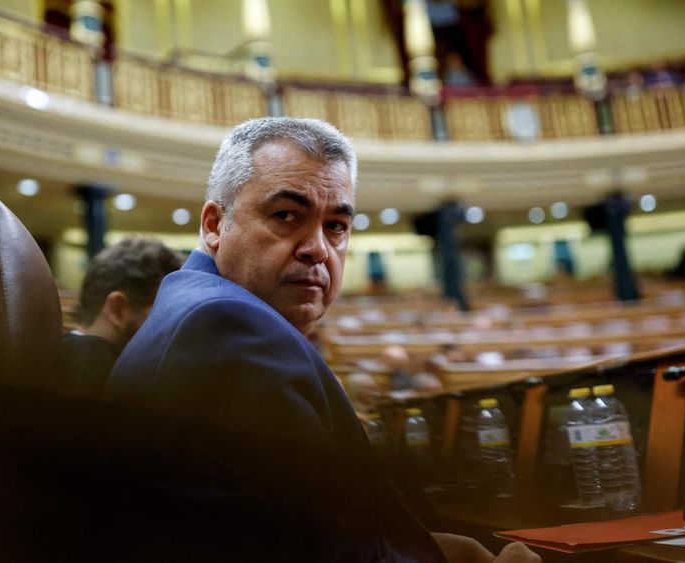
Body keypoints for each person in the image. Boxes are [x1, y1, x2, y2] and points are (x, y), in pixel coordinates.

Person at [107, 118, 539, 562]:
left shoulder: (195, 304)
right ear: (215, 225)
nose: (317, 248)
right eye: (286, 216)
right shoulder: (226, 325)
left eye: (336, 225)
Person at [61, 237, 182, 393]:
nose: (175, 327)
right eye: (167, 314)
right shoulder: (107, 377)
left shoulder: (48, 356)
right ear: (117, 310)